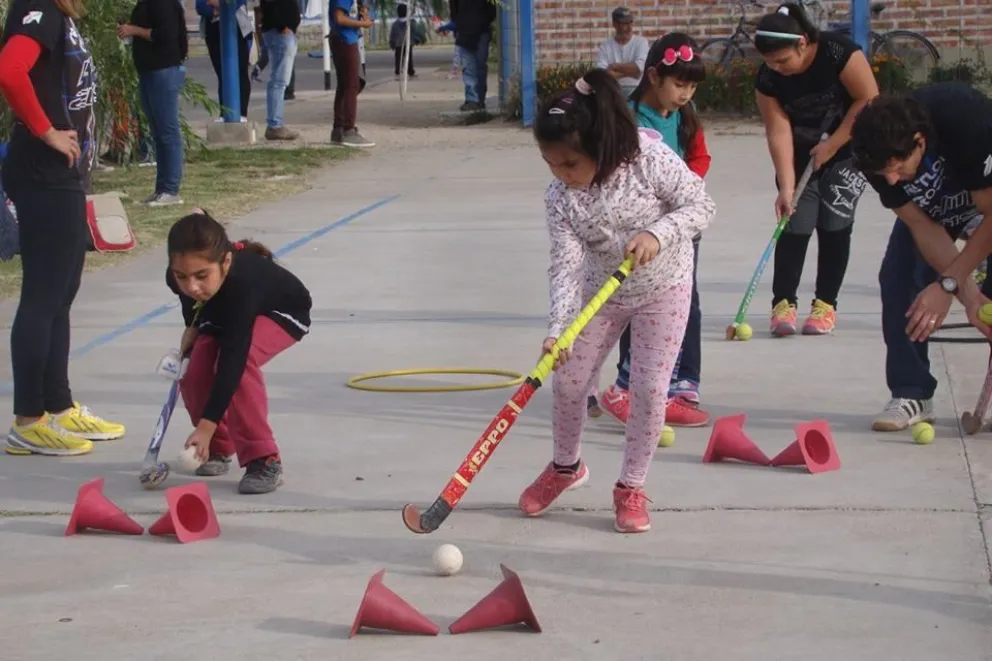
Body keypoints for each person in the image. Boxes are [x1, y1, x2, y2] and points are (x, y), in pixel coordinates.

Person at [521, 69, 716, 533]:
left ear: (597, 147)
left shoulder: (647, 159)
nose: (560, 175)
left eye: (569, 165)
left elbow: (701, 205)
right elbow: (565, 266)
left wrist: (658, 232)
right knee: (568, 382)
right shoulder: (560, 198)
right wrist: (558, 329)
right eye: (550, 164)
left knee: (649, 391)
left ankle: (631, 486)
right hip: (598, 293)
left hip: (662, 288)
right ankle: (566, 469)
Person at [0, 0, 127, 456]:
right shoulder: (39, 9)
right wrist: (46, 130)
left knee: (63, 292)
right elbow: (10, 71)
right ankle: (28, 421)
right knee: (42, 295)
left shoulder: (59, 15)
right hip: (43, 171)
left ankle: (58, 403)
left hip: (65, 173)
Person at [848, 84, 992, 431]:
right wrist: (965, 295)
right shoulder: (871, 149)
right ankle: (912, 392)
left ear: (920, 141)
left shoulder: (969, 125)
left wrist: (949, 284)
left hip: (985, 197)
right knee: (898, 277)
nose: (893, 179)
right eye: (885, 174)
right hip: (936, 209)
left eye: (898, 167)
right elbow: (920, 225)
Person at [589, 32, 713, 429]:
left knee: (684, 303)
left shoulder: (685, 117)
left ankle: (682, 384)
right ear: (654, 75)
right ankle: (626, 386)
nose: (686, 94)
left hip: (678, 229)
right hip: (638, 234)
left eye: (692, 86)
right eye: (680, 84)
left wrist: (683, 194)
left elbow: (699, 158)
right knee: (635, 308)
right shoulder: (624, 117)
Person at [753, 2, 879, 337]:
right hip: (799, 150)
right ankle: (783, 304)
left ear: (803, 44)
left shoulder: (839, 53)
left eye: (783, 60)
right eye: (770, 63)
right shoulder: (768, 78)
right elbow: (777, 130)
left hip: (847, 147)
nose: (778, 68)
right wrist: (786, 185)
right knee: (794, 222)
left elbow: (868, 100)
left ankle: (825, 305)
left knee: (835, 224)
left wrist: (833, 144)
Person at [165, 210, 312, 494]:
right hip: (221, 313)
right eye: (182, 276)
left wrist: (205, 424)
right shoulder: (179, 277)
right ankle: (216, 447)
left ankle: (263, 459)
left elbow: (234, 358)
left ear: (226, 261)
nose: (191, 286)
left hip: (280, 312)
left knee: (238, 367)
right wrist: (191, 326)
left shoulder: (242, 284)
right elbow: (188, 298)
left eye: (201, 275)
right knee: (194, 373)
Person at [120, 0, 189, 206]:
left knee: (168, 131)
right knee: (157, 131)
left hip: (164, 69)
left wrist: (133, 30)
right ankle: (161, 189)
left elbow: (165, 34)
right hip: (148, 70)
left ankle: (171, 188)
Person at [196, 0, 253, 124]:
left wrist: (219, 5)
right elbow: (200, 6)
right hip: (213, 29)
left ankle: (242, 112)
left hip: (238, 27)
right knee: (222, 73)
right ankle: (225, 112)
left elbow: (238, 3)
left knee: (241, 71)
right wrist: (214, 10)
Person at [329, 0, 375, 147]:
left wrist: (363, 14)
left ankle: (339, 128)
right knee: (351, 84)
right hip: (345, 39)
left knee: (345, 84)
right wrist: (362, 24)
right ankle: (348, 128)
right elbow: (339, 18)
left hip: (347, 38)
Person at [259, 0, 300, 140]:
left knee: (278, 81)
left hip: (282, 30)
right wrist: (283, 25)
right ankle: (275, 125)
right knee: (278, 81)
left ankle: (275, 123)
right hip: (280, 31)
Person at [450, 0, 496, 112]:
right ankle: (473, 100)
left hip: (478, 31)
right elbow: (453, 8)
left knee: (476, 66)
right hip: (469, 30)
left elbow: (492, 9)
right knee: (470, 67)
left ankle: (477, 99)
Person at [595, 6, 650, 98]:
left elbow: (640, 67)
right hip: (613, 91)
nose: (629, 27)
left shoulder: (641, 42)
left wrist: (614, 66)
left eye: (631, 22)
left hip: (636, 89)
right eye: (624, 23)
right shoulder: (605, 46)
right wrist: (633, 72)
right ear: (615, 24)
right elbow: (603, 74)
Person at [389, 2, 416, 78]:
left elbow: (392, 34)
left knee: (398, 59)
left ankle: (397, 72)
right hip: (408, 43)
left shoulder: (395, 23)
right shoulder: (409, 22)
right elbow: (413, 32)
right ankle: (410, 72)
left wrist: (391, 43)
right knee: (409, 58)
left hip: (398, 43)